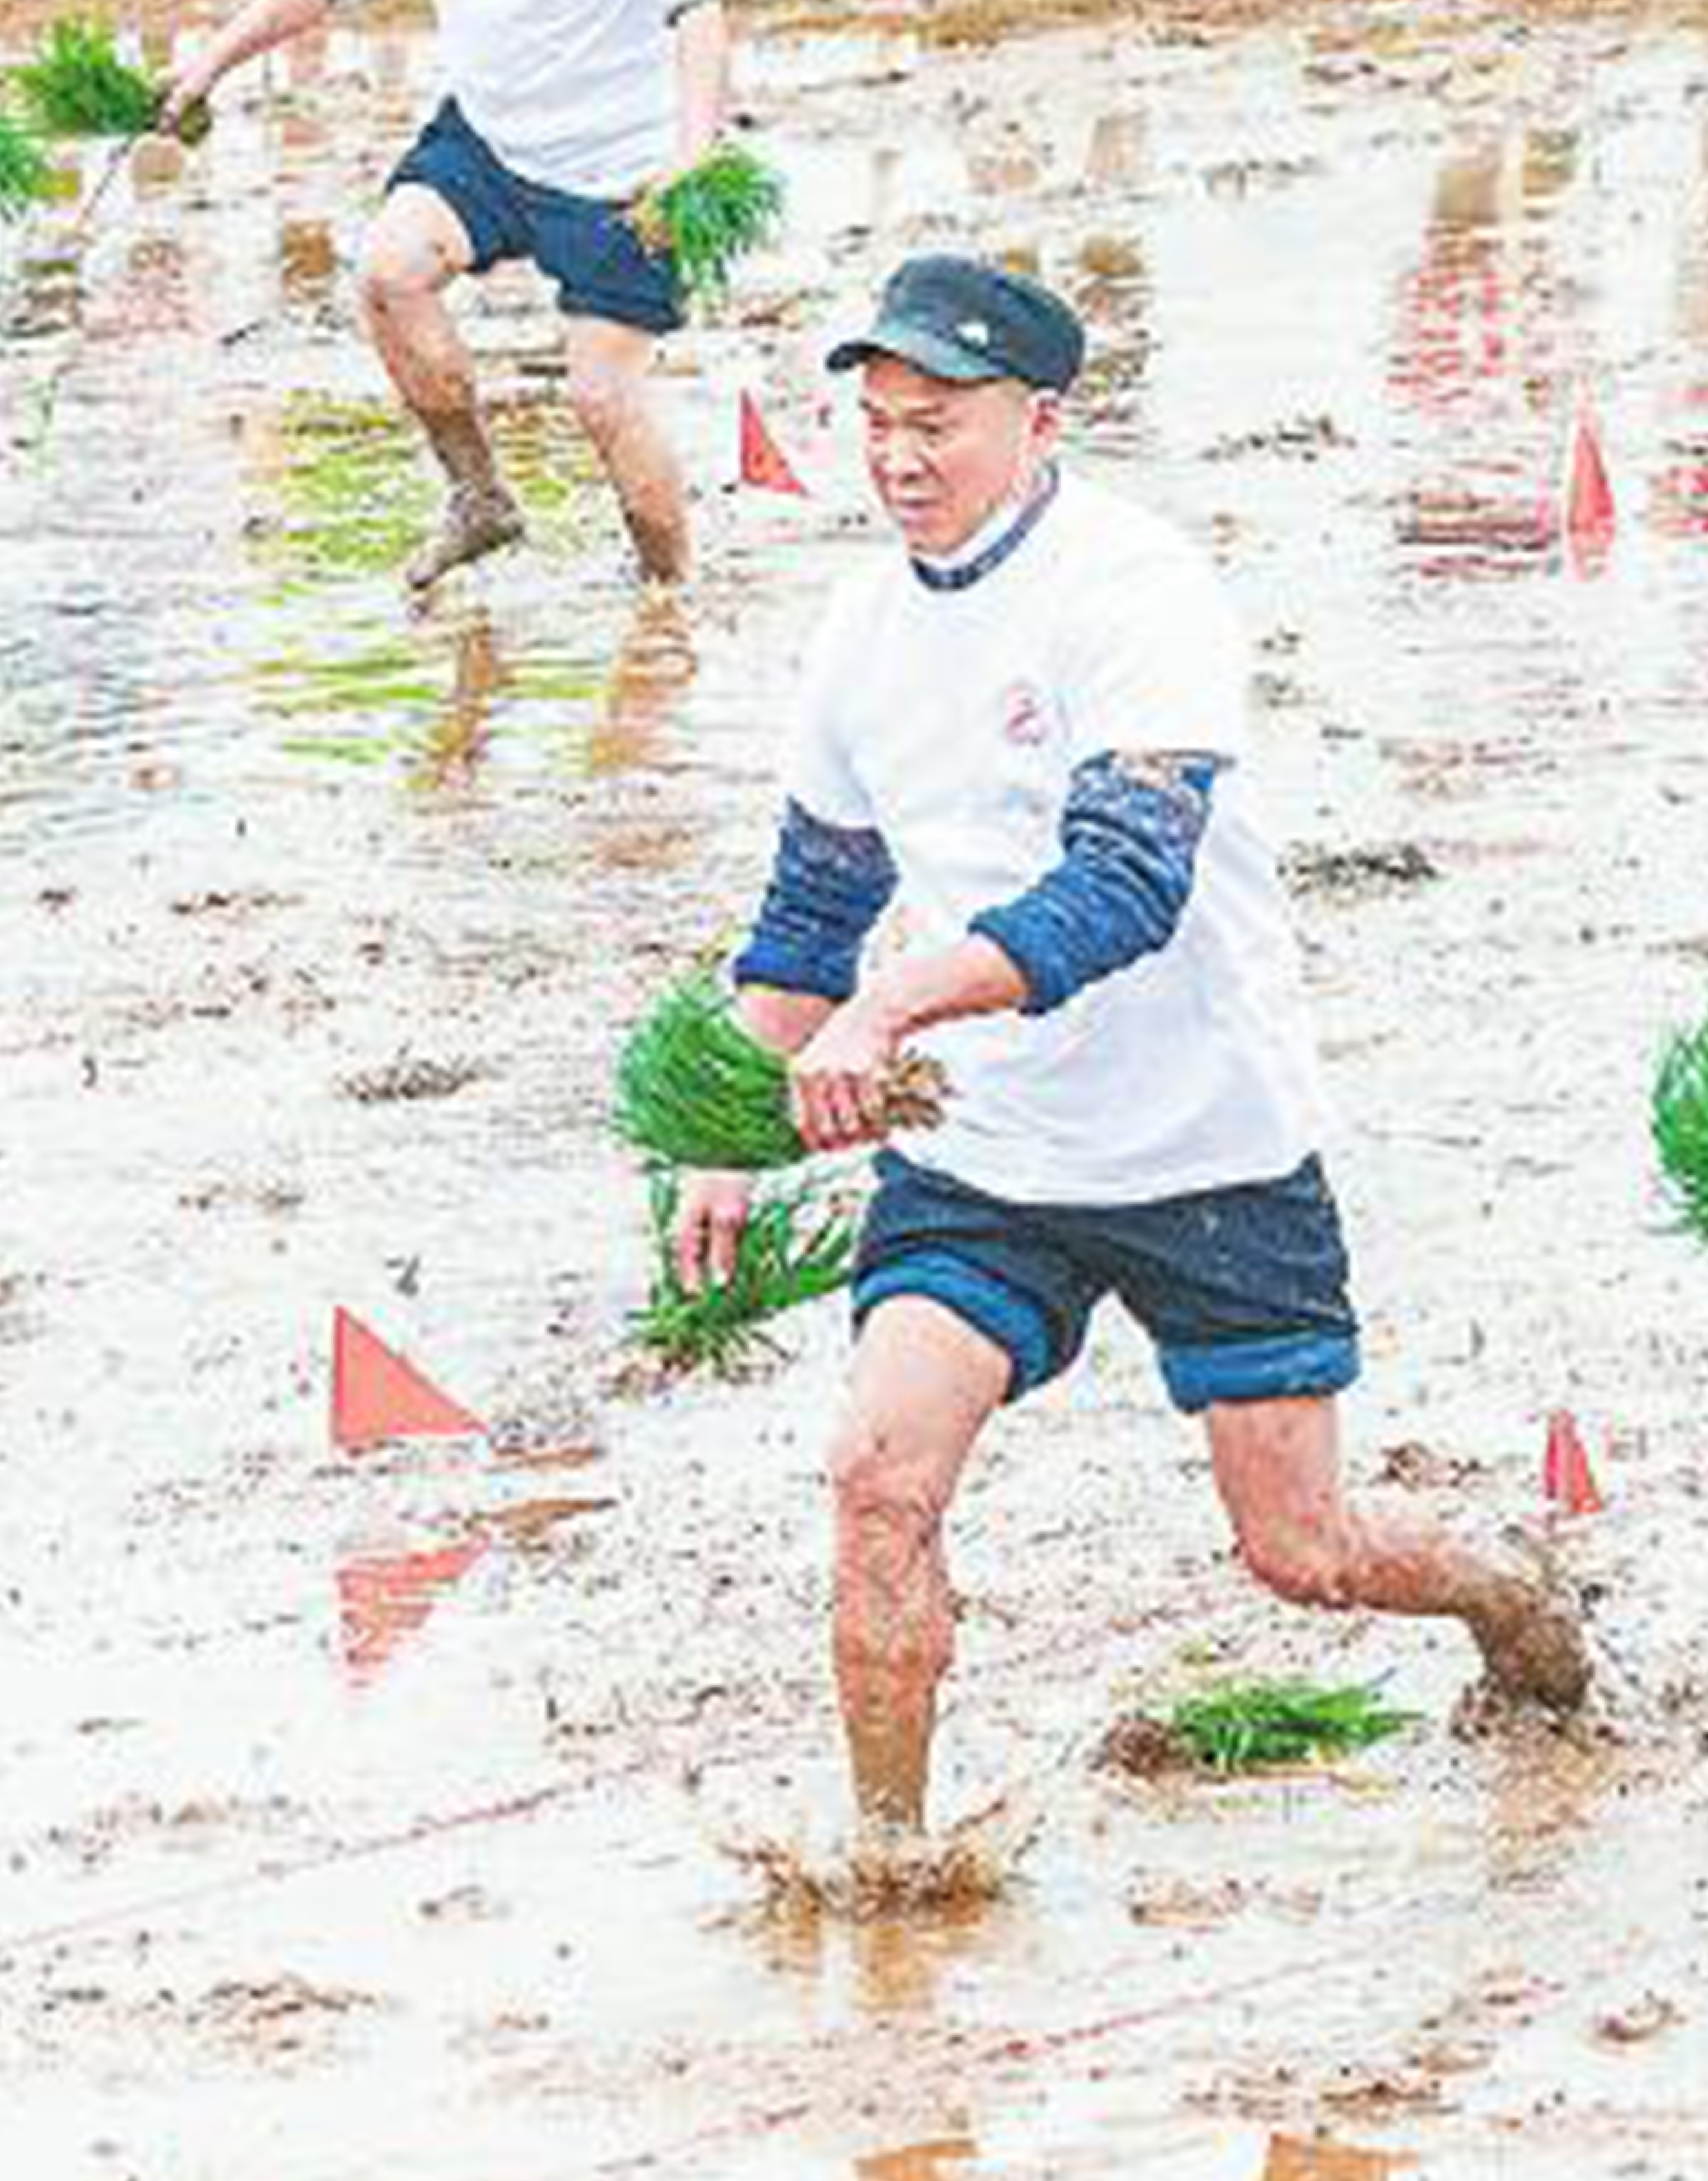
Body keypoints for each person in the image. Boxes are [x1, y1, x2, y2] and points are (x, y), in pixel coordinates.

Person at [677, 253, 1590, 1847]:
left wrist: (890, 1009)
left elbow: (1126, 887)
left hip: (1205, 1142)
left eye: (937, 423)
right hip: (983, 1154)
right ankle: (892, 1859)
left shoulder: (1134, 588)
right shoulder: (855, 631)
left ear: (1038, 418)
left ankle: (1514, 1591)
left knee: (1297, 1552)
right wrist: (726, 1130)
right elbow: (810, 917)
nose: (898, 458)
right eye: (875, 421)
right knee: (876, 1477)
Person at [165, 0, 721, 592]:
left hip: (617, 160)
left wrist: (695, 154)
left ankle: (671, 604)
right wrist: (214, 58)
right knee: (387, 272)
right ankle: (479, 496)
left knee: (601, 396)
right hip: (494, 133)